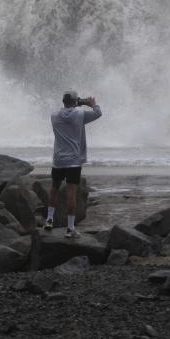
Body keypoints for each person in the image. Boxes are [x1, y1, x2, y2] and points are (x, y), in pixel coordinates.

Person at [45, 90, 102, 238]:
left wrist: (77, 102)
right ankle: (70, 228)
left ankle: (49, 219)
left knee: (54, 189)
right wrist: (92, 104)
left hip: (58, 160)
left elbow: (67, 109)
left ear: (63, 101)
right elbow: (98, 113)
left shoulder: (54, 116)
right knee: (71, 194)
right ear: (75, 101)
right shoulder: (80, 115)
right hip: (73, 162)